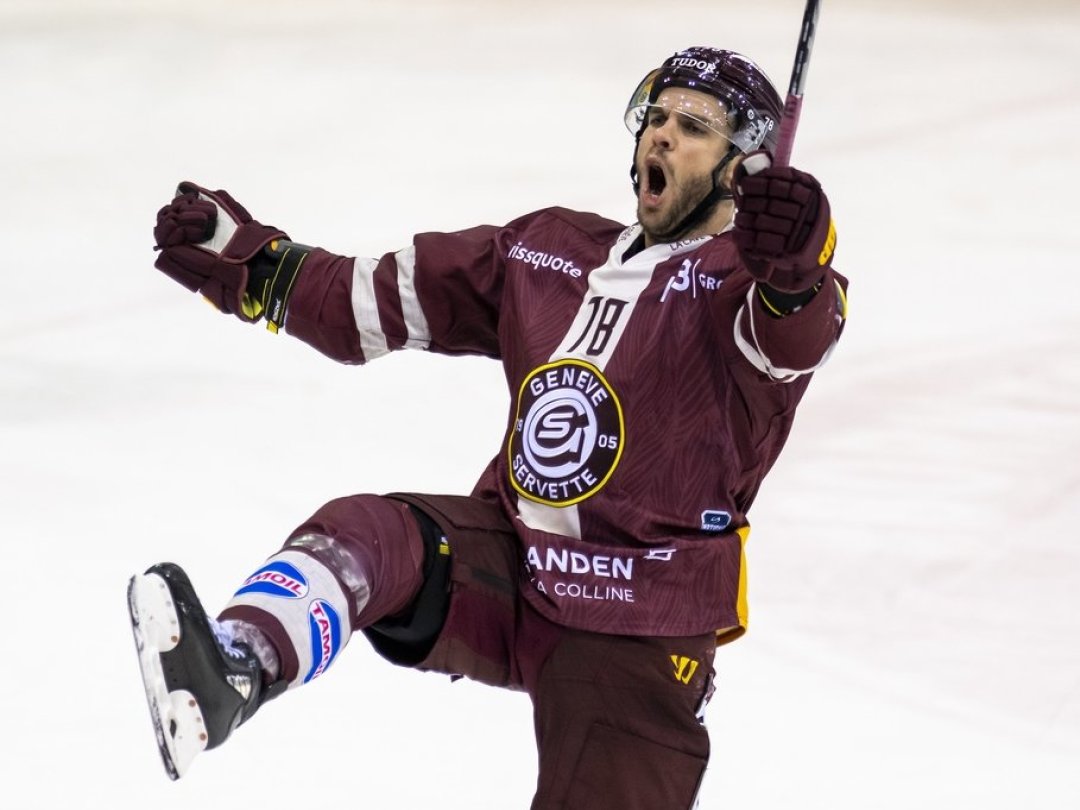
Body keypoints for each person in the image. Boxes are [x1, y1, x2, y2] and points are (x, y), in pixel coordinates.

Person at [128, 46, 848, 809]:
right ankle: (239, 665)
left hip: (642, 629)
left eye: (694, 126)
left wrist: (798, 266)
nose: (661, 136)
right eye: (656, 117)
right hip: (515, 565)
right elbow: (368, 301)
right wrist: (258, 266)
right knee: (370, 535)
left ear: (745, 166)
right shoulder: (549, 251)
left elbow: (797, 334)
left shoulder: (748, 287)